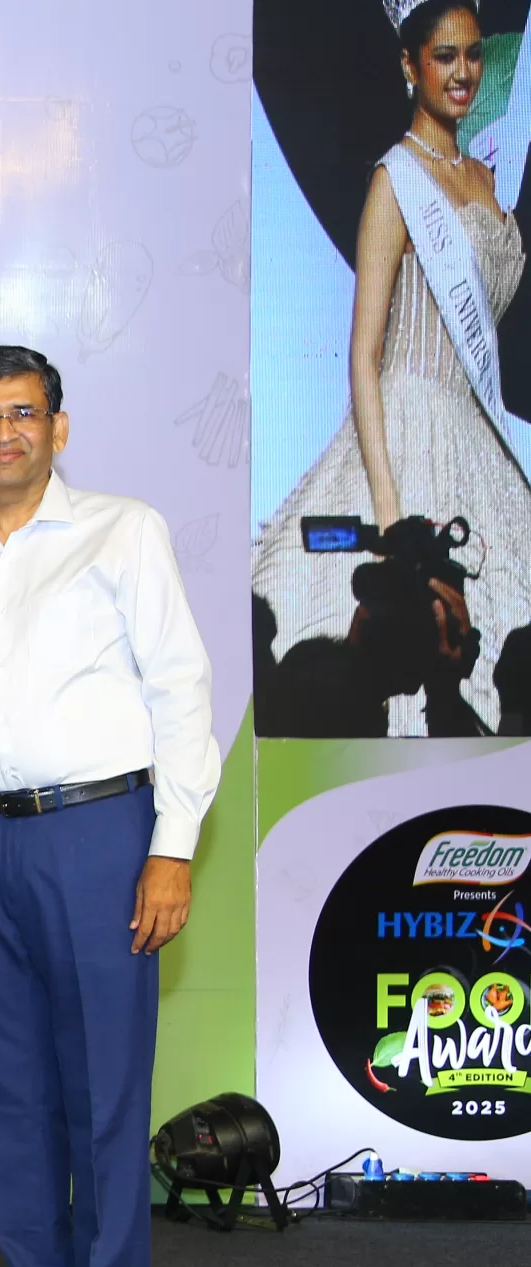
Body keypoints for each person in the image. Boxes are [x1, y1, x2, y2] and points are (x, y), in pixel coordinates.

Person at [0, 346, 220, 1267]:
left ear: (57, 426)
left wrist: (172, 846)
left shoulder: (124, 531)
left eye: (23, 413)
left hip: (100, 832)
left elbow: (181, 689)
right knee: (11, 1095)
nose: (2, 432)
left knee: (102, 1091)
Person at [252, 0, 531, 736]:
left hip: (476, 431)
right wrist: (388, 503)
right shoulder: (395, 179)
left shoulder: (487, 180)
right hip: (402, 426)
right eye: (444, 56)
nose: (463, 72)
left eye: (472, 54)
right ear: (410, 65)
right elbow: (363, 356)